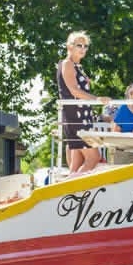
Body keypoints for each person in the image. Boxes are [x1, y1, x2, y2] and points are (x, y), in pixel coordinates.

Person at [57, 31, 110, 173]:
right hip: (76, 116)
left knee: (77, 164)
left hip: (81, 115)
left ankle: (68, 190)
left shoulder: (76, 66)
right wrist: (97, 99)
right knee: (94, 158)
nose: (82, 48)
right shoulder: (67, 64)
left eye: (85, 46)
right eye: (78, 45)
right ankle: (71, 189)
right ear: (69, 46)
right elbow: (74, 91)